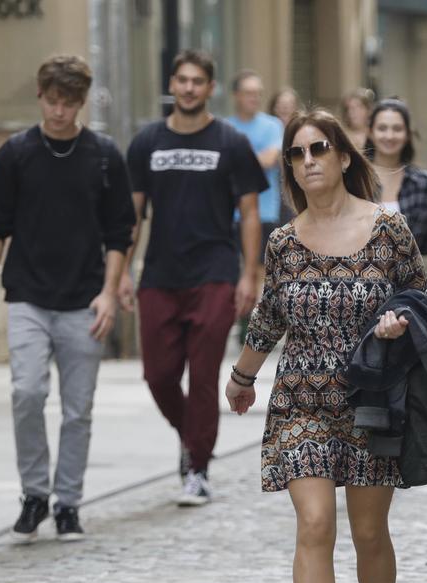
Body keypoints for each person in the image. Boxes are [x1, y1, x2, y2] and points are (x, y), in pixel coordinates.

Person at [225, 108, 427, 583]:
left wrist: (398, 324)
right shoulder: (285, 241)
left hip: (372, 399)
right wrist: (243, 378)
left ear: (343, 157)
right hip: (301, 399)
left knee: (368, 530)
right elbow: (269, 317)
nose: (307, 161)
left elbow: (422, 302)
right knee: (314, 522)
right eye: (296, 153)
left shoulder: (388, 227)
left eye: (318, 149)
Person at [0, 55, 135, 543]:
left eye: (68, 103)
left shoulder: (104, 156)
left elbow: (119, 232)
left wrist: (109, 293)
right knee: (26, 393)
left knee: (78, 409)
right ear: (40, 96)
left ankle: (67, 504)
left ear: (81, 103)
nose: (58, 111)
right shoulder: (14, 154)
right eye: (51, 100)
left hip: (85, 299)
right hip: (27, 295)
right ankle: (34, 494)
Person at [120, 49, 268, 506]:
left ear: (210, 88)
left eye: (197, 81)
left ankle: (198, 469)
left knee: (203, 375)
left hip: (215, 273)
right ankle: (193, 438)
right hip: (160, 274)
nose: (188, 88)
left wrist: (250, 274)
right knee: (159, 375)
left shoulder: (229, 141)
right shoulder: (147, 143)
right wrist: (122, 272)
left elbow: (248, 214)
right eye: (181, 80)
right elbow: (133, 215)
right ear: (172, 84)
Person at [366, 98, 427, 287]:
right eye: (382, 128)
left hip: (409, 290)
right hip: (361, 287)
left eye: (397, 129)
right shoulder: (354, 181)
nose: (389, 135)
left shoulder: (423, 183)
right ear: (371, 132)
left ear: (407, 134)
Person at [226, 69, 286, 342]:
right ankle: (241, 320)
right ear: (236, 95)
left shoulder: (273, 125)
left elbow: (270, 159)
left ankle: (258, 324)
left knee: (261, 270)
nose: (254, 98)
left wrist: (237, 162)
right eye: (248, 93)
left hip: (265, 209)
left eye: (258, 93)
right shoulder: (225, 127)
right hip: (230, 211)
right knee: (236, 268)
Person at [269, 86, 302, 225]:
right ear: (273, 108)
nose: (284, 109)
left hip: (294, 190)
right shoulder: (268, 131)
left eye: (289, 105)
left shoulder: (301, 132)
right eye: (281, 105)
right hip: (271, 192)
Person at [341, 88, 374, 153]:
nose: (352, 112)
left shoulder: (375, 134)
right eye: (349, 108)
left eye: (358, 107)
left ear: (368, 110)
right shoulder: (342, 137)